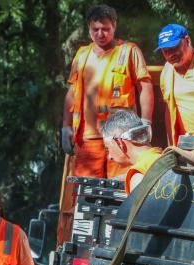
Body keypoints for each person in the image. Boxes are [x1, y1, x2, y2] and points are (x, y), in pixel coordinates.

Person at [61, 4, 154, 180]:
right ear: (89, 28)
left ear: (114, 26)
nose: (100, 34)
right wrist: (66, 126)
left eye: (106, 29)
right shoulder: (82, 55)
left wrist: (146, 122)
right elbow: (72, 93)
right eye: (96, 29)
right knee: (86, 193)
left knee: (120, 189)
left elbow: (145, 86)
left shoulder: (129, 51)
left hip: (121, 138)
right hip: (88, 140)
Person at [101, 109, 163, 195]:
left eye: (108, 149)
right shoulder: (163, 157)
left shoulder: (139, 175)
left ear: (119, 143)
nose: (110, 157)